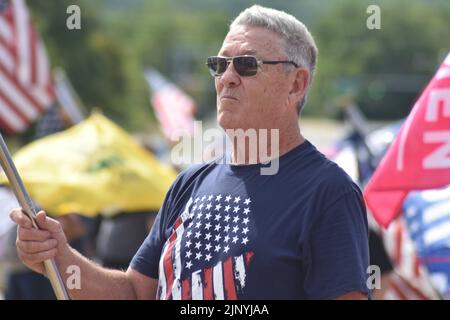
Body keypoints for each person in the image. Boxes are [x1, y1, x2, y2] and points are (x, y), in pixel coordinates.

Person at [10, 5, 369, 299]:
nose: (227, 77)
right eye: (219, 64)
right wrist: (60, 257)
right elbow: (137, 293)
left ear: (296, 84)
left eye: (247, 65)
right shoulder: (190, 182)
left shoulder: (328, 192)